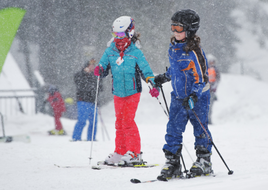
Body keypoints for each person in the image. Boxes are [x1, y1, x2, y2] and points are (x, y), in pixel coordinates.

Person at [154, 9, 213, 181]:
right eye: (173, 27)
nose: (174, 31)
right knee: (173, 129)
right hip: (179, 97)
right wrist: (164, 77)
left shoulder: (195, 52)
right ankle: (172, 163)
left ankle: (204, 160)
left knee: (200, 128)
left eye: (178, 28)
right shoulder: (174, 49)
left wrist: (194, 96)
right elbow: (176, 70)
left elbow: (201, 77)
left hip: (198, 98)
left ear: (190, 29)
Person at [94, 16, 159, 166]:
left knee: (128, 121)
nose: (118, 38)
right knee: (119, 123)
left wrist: (153, 83)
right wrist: (100, 69)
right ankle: (120, 151)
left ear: (130, 32)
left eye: (121, 34)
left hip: (132, 91)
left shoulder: (136, 52)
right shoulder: (110, 51)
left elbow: (146, 71)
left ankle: (134, 153)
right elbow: (103, 67)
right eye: (115, 34)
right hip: (118, 92)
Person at [72, 58, 102, 141]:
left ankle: (91, 138)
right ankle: (76, 138)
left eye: (93, 65)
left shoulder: (95, 76)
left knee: (94, 122)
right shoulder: (81, 75)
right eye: (91, 65)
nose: (92, 67)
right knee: (82, 121)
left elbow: (100, 87)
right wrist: (84, 72)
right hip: (83, 101)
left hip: (93, 102)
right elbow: (77, 80)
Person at [206, 54, 220, 124]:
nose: (211, 63)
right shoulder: (205, 69)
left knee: (210, 106)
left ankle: (209, 120)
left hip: (211, 91)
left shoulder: (215, 70)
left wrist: (213, 87)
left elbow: (217, 79)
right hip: (205, 90)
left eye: (213, 61)